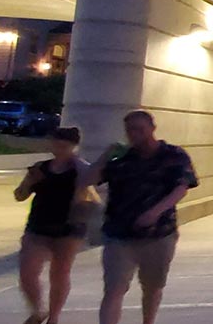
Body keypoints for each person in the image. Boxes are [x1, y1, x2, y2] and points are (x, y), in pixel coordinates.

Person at [78, 110, 197, 324]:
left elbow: (182, 187)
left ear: (152, 128)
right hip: (119, 235)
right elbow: (87, 180)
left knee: (152, 286)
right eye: (130, 130)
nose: (135, 134)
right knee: (114, 288)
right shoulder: (121, 158)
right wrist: (105, 156)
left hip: (159, 234)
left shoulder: (173, 155)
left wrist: (155, 211)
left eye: (140, 129)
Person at [14, 127, 90, 324]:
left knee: (60, 272)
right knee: (27, 272)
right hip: (38, 225)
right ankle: (38, 309)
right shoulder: (40, 167)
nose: (60, 149)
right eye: (56, 144)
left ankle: (54, 317)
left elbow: (90, 194)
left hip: (69, 227)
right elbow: (19, 195)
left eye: (65, 146)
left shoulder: (80, 169)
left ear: (73, 146)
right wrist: (29, 181)